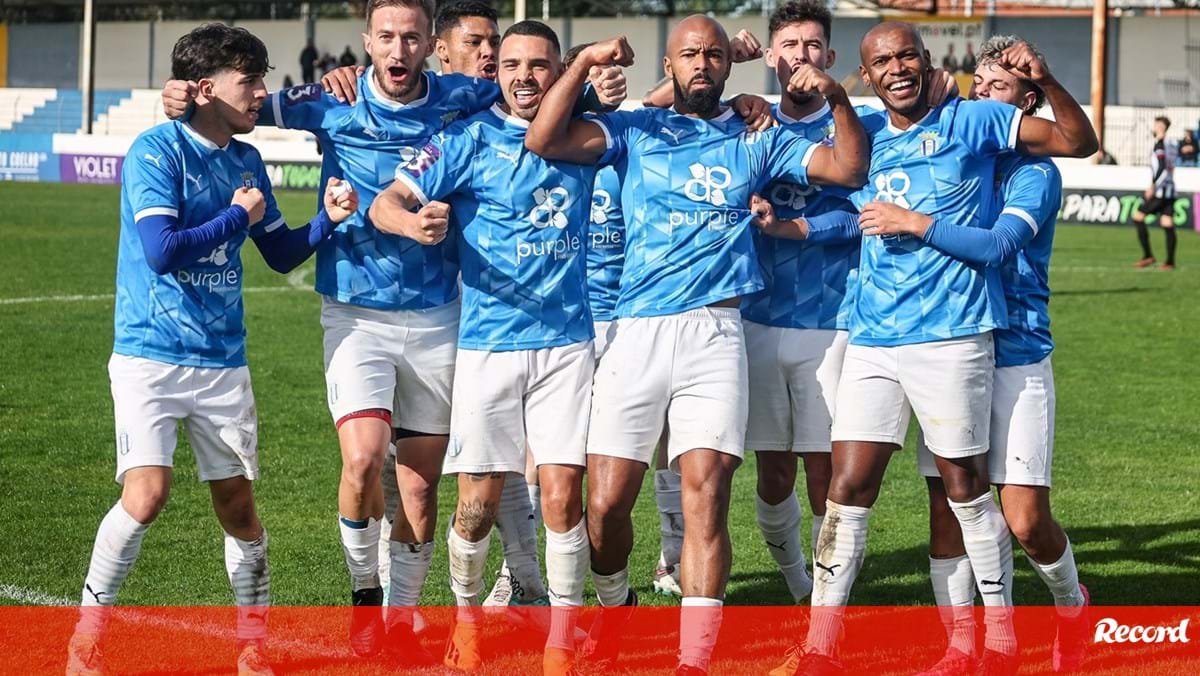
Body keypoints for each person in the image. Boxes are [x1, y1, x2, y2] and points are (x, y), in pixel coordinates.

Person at [160, 0, 511, 660]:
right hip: (355, 311)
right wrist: (178, 94)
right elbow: (231, 105)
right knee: (362, 458)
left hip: (438, 316)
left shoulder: (463, 96)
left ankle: (401, 621)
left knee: (416, 487)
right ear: (367, 42)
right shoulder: (330, 98)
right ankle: (362, 597)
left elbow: (538, 94)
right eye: (387, 37)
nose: (399, 49)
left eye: (412, 37)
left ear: (431, 41)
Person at [525, 16, 869, 673]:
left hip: (716, 332)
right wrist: (587, 59)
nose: (703, 64)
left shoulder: (754, 138)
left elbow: (850, 169)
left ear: (729, 66)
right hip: (637, 330)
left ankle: (694, 660)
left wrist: (839, 98)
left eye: (714, 54)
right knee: (603, 509)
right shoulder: (635, 130)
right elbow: (545, 139)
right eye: (689, 54)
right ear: (672, 64)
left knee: (705, 494)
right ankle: (618, 603)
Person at [772, 22, 1098, 676]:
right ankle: (820, 649)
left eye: (909, 55)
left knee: (968, 492)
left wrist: (1045, 81)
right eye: (883, 60)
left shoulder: (974, 123)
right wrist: (764, 105)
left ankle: (1003, 643)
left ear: (928, 63)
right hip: (873, 339)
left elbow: (1075, 141)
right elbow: (814, 161)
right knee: (848, 485)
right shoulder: (860, 134)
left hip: (957, 337)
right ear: (867, 75)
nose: (899, 67)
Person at [68, 23, 357, 676]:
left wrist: (329, 222)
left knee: (241, 511)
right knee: (146, 495)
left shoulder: (247, 162)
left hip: (222, 362)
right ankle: (88, 637)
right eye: (248, 80)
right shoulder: (155, 151)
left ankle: (254, 646)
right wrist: (236, 217)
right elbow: (161, 253)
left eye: (262, 79)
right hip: (149, 354)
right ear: (204, 89)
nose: (261, 93)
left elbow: (281, 253)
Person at [369, 21, 608, 673]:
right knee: (475, 505)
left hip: (566, 346)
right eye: (512, 64)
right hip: (489, 347)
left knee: (561, 494)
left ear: (560, 71)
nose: (526, 76)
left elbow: (661, 121)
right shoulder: (465, 140)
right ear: (495, 71)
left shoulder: (583, 136)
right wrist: (414, 222)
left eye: (540, 65)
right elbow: (385, 203)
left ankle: (561, 639)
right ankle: (467, 621)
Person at [735, 0, 864, 607]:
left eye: (813, 46)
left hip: (830, 322)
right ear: (770, 55)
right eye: (789, 46)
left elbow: (865, 213)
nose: (801, 57)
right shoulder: (748, 126)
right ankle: (796, 582)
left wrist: (793, 229)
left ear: (830, 58)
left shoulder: (856, 127)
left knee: (825, 472)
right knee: (772, 471)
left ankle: (825, 609)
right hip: (756, 318)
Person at [1132, 116, 1179, 270]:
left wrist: (1153, 186)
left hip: (1160, 191)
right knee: (1167, 223)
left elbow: (1161, 166)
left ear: (1160, 126)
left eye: (1155, 125)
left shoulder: (1160, 144)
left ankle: (1148, 255)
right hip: (1170, 190)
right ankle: (1170, 262)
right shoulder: (1172, 144)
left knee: (1138, 218)